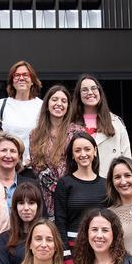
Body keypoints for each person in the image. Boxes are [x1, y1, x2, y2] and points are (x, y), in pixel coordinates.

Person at [29, 85, 84, 217]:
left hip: (74, 196)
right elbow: (38, 168)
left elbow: (83, 163)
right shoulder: (35, 134)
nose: (59, 104)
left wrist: (69, 189)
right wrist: (58, 189)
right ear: (47, 104)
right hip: (46, 199)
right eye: (54, 99)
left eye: (64, 101)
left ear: (68, 107)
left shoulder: (78, 132)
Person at [53, 133, 107, 251]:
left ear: (95, 151)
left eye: (87, 149)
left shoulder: (106, 184)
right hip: (74, 249)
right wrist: (66, 256)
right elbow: (60, 223)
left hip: (101, 249)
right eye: (78, 150)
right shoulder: (64, 184)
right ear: (72, 155)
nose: (83, 154)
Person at [72, 74, 131, 177]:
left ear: (99, 91)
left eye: (94, 88)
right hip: (81, 182)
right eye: (85, 90)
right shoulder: (71, 124)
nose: (90, 92)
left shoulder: (115, 122)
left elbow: (127, 158)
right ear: (79, 95)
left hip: (110, 182)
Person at [0, 60, 44, 164]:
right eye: (17, 75)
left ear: (32, 80)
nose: (21, 78)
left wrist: (28, 161)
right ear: (12, 81)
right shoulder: (1, 105)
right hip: (5, 164)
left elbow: (46, 137)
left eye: (25, 75)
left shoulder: (42, 106)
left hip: (32, 167)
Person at [0, 180, 44, 264]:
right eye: (21, 203)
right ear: (15, 207)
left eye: (31, 203)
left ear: (38, 206)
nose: (26, 208)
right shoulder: (5, 238)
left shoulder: (47, 235)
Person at [0, 130, 37, 213]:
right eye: (3, 150)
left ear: (18, 157)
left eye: (13, 151)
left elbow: (41, 219)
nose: (8, 155)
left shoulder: (33, 185)